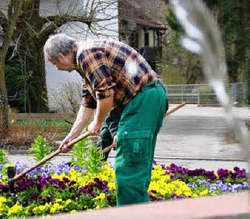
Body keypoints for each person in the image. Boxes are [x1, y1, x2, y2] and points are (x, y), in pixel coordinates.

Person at [44, 33, 168, 206]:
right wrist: (71, 137)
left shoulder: (86, 54)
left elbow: (106, 94)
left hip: (142, 99)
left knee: (129, 167)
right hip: (143, 99)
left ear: (61, 56)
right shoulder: (84, 60)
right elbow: (88, 102)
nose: (57, 68)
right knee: (135, 166)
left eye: (54, 63)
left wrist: (97, 122)